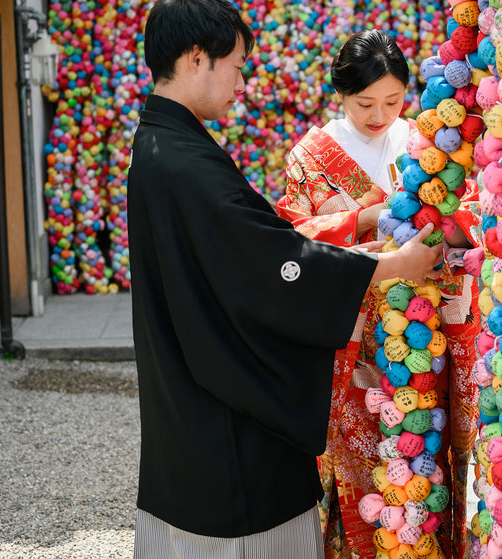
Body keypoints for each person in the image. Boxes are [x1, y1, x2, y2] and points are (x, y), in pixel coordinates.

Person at [127, 2, 444, 557]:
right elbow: (275, 261)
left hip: (397, 342)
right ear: (197, 58)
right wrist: (390, 264)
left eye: (392, 102)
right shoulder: (186, 162)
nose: (242, 82)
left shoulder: (162, 145)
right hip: (228, 407)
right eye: (238, 66)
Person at [277, 29, 481, 559]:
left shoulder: (428, 147)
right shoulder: (310, 156)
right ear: (340, 95)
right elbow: (290, 243)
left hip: (422, 334)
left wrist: (451, 236)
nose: (379, 114)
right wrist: (365, 219)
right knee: (354, 464)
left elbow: (470, 226)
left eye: (392, 101)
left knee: (421, 453)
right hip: (348, 337)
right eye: (365, 102)